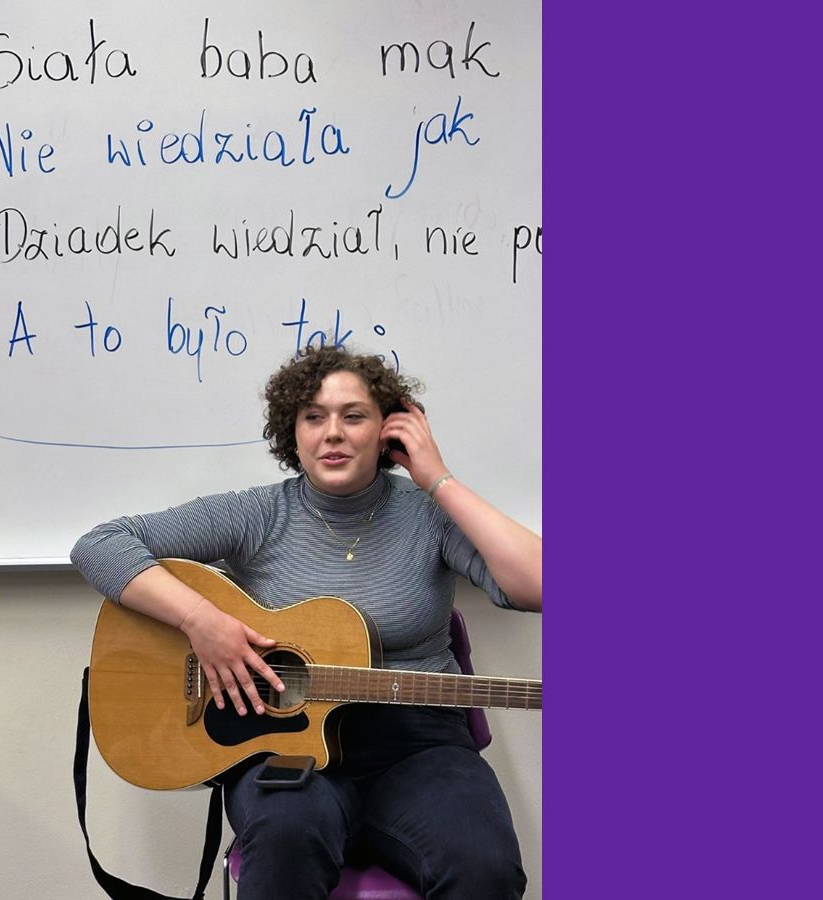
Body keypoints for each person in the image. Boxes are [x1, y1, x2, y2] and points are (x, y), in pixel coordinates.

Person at [71, 345, 542, 900]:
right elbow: (99, 546)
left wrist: (437, 477)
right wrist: (201, 620)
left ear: (389, 430)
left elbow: (539, 586)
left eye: (354, 416)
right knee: (286, 841)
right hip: (287, 747)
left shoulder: (427, 514)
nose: (333, 433)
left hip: (420, 747)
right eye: (314, 417)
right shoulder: (259, 513)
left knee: (482, 865)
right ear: (291, 433)